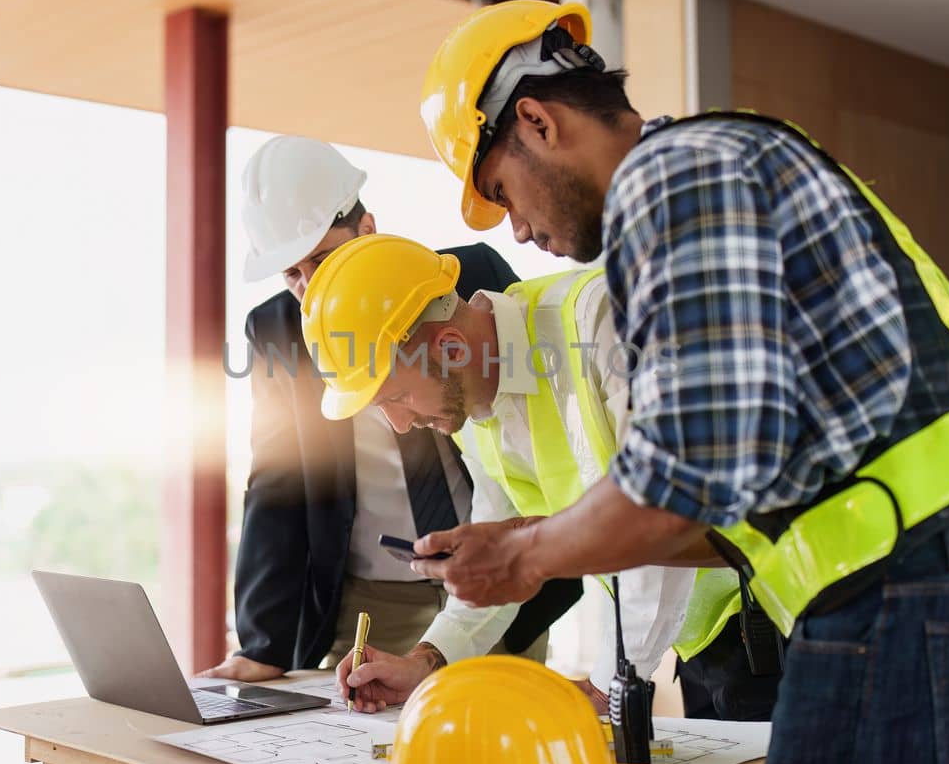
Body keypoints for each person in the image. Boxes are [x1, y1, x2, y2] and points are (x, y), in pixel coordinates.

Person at [405, 0, 949, 764]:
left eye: (502, 191)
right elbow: (736, 494)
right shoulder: (752, 156)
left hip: (901, 605)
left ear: (537, 119)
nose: (516, 231)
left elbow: (684, 469)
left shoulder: (672, 177)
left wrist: (528, 553)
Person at [199, 135, 580, 764]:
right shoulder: (278, 333)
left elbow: (520, 453)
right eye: (294, 271)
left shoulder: (465, 282)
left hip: (493, 566)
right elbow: (273, 481)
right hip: (368, 588)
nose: (310, 285)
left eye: (321, 256)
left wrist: (527, 562)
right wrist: (263, 638)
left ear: (366, 227)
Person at [295, 232, 699, 716]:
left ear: (451, 348)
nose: (402, 424)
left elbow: (653, 516)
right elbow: (498, 550)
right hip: (697, 647)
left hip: (766, 616)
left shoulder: (599, 325)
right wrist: (428, 661)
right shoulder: (471, 404)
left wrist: (604, 685)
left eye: (397, 398)